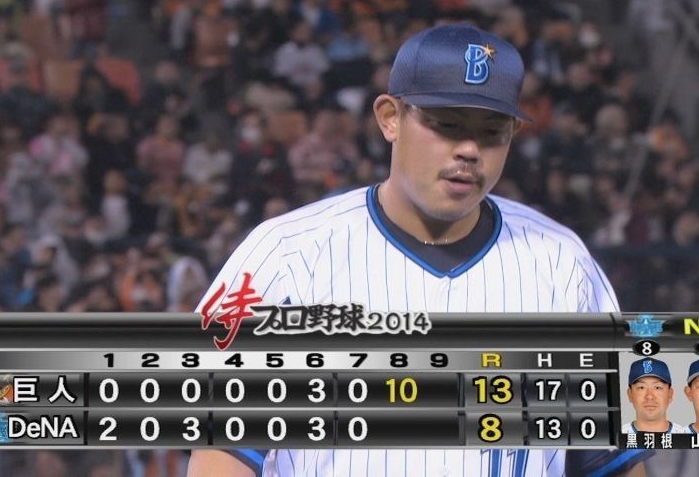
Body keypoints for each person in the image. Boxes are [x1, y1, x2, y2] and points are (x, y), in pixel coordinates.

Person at [189, 24, 647, 476]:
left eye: (493, 131)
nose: (469, 149)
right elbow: (219, 457)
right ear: (390, 117)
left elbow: (616, 461)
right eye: (447, 125)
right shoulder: (285, 256)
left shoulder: (563, 263)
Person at [622, 357, 688, 434]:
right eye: (641, 387)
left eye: (657, 387)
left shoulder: (686, 436)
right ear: (630, 394)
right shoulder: (617, 436)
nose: (649, 396)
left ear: (670, 394)